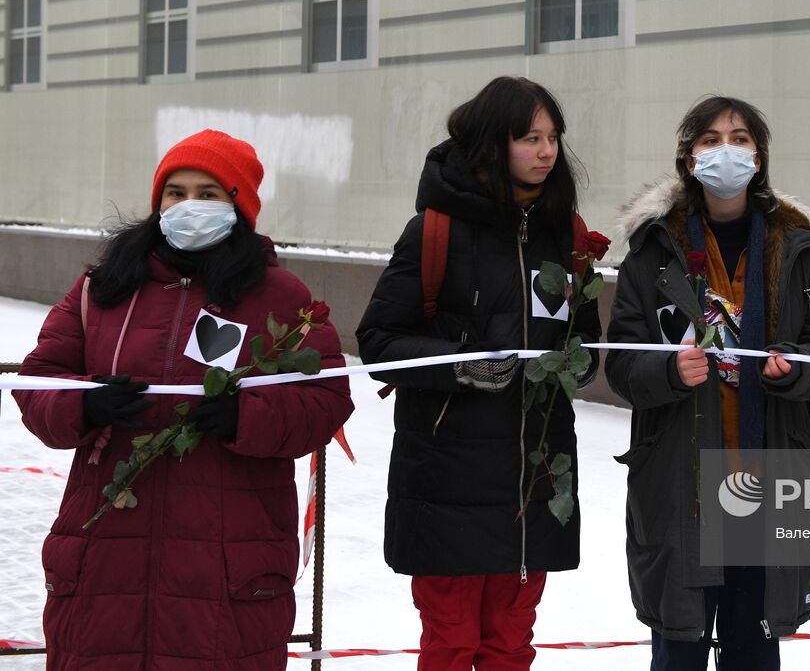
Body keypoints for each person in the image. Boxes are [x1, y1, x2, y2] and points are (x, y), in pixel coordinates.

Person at [15, 128, 354, 671]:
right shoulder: (102, 289)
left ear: (238, 207)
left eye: (209, 193)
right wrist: (83, 405)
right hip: (105, 558)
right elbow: (39, 380)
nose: (189, 205)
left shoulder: (283, 299)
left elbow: (325, 401)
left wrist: (248, 417)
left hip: (226, 564)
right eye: (176, 192)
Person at [357, 76, 600, 671]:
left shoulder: (566, 236)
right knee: (451, 641)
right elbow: (378, 342)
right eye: (530, 138)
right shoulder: (435, 231)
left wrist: (575, 361)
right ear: (493, 143)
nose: (547, 152)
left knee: (511, 644)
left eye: (553, 138)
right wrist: (461, 367)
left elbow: (586, 342)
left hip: (533, 470)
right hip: (446, 476)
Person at [605, 95, 810, 670]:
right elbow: (620, 364)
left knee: (754, 648)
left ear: (760, 159)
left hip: (765, 480)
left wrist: (794, 370)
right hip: (679, 480)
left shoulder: (799, 248)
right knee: (679, 645)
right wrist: (669, 371)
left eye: (741, 139)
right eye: (711, 140)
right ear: (688, 159)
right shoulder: (652, 249)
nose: (727, 151)